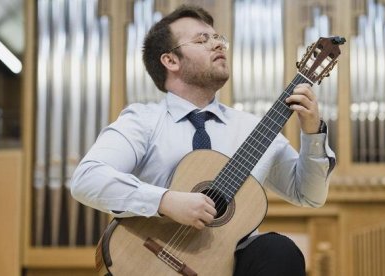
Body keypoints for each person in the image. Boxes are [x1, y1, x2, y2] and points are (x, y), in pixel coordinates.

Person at [71, 4, 335, 276]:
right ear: (170, 60)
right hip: (150, 257)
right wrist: (165, 201)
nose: (217, 45)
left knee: (279, 250)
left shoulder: (256, 130)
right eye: (202, 40)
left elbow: (309, 196)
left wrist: (312, 133)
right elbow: (87, 179)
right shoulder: (142, 121)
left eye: (218, 38)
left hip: (228, 266)